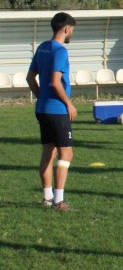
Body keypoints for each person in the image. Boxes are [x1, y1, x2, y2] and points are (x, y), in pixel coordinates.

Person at [26, 12, 77, 212]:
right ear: (66, 29)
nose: (71, 33)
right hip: (56, 110)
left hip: (42, 109)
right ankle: (58, 201)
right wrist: (68, 103)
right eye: (72, 30)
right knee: (66, 153)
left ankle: (47, 198)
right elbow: (55, 82)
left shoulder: (42, 48)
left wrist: (41, 97)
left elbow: (30, 78)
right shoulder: (60, 51)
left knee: (48, 151)